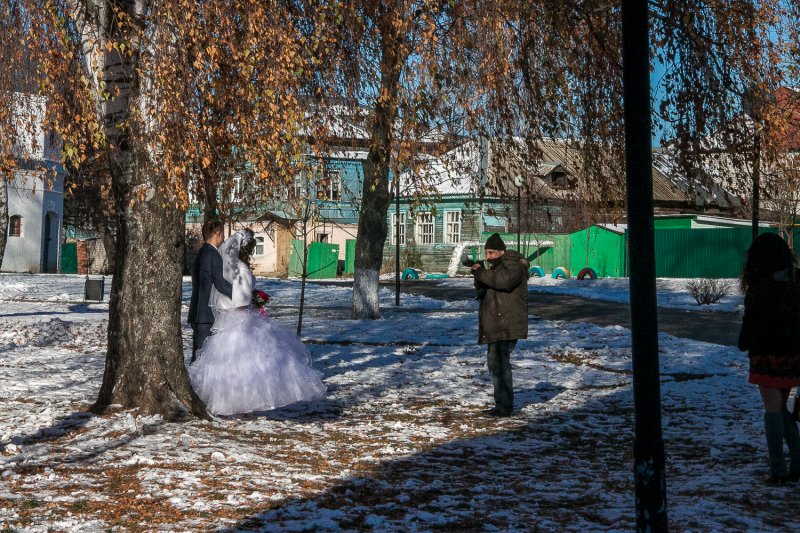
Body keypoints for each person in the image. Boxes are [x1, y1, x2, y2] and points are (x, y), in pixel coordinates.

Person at [189, 229, 326, 415]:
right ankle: (249, 399)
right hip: (241, 319)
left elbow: (224, 291)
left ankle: (226, 400)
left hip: (227, 321)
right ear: (247, 250)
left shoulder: (228, 266)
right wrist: (253, 301)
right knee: (251, 361)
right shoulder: (242, 269)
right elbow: (241, 300)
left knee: (226, 363)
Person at [738, 232, 800, 484]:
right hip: (793, 354)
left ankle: (778, 469)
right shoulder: (796, 280)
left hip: (765, 354)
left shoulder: (759, 285)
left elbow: (750, 323)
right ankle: (796, 463)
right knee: (781, 408)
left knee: (772, 409)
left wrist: (745, 342)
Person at [471, 233, 529, 417]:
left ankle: (504, 407)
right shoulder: (498, 267)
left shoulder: (513, 265)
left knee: (500, 364)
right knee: (496, 363)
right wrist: (478, 274)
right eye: (486, 253)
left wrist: (480, 272)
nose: (488, 256)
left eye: (491, 253)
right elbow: (483, 291)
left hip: (506, 323)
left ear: (501, 251)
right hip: (498, 322)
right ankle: (502, 405)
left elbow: (503, 281)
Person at [188, 219, 233, 363]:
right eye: (223, 234)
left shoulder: (201, 252)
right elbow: (220, 283)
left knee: (198, 355)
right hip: (206, 314)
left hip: (197, 311)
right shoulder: (212, 254)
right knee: (203, 356)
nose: (223, 238)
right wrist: (238, 295)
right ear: (218, 233)